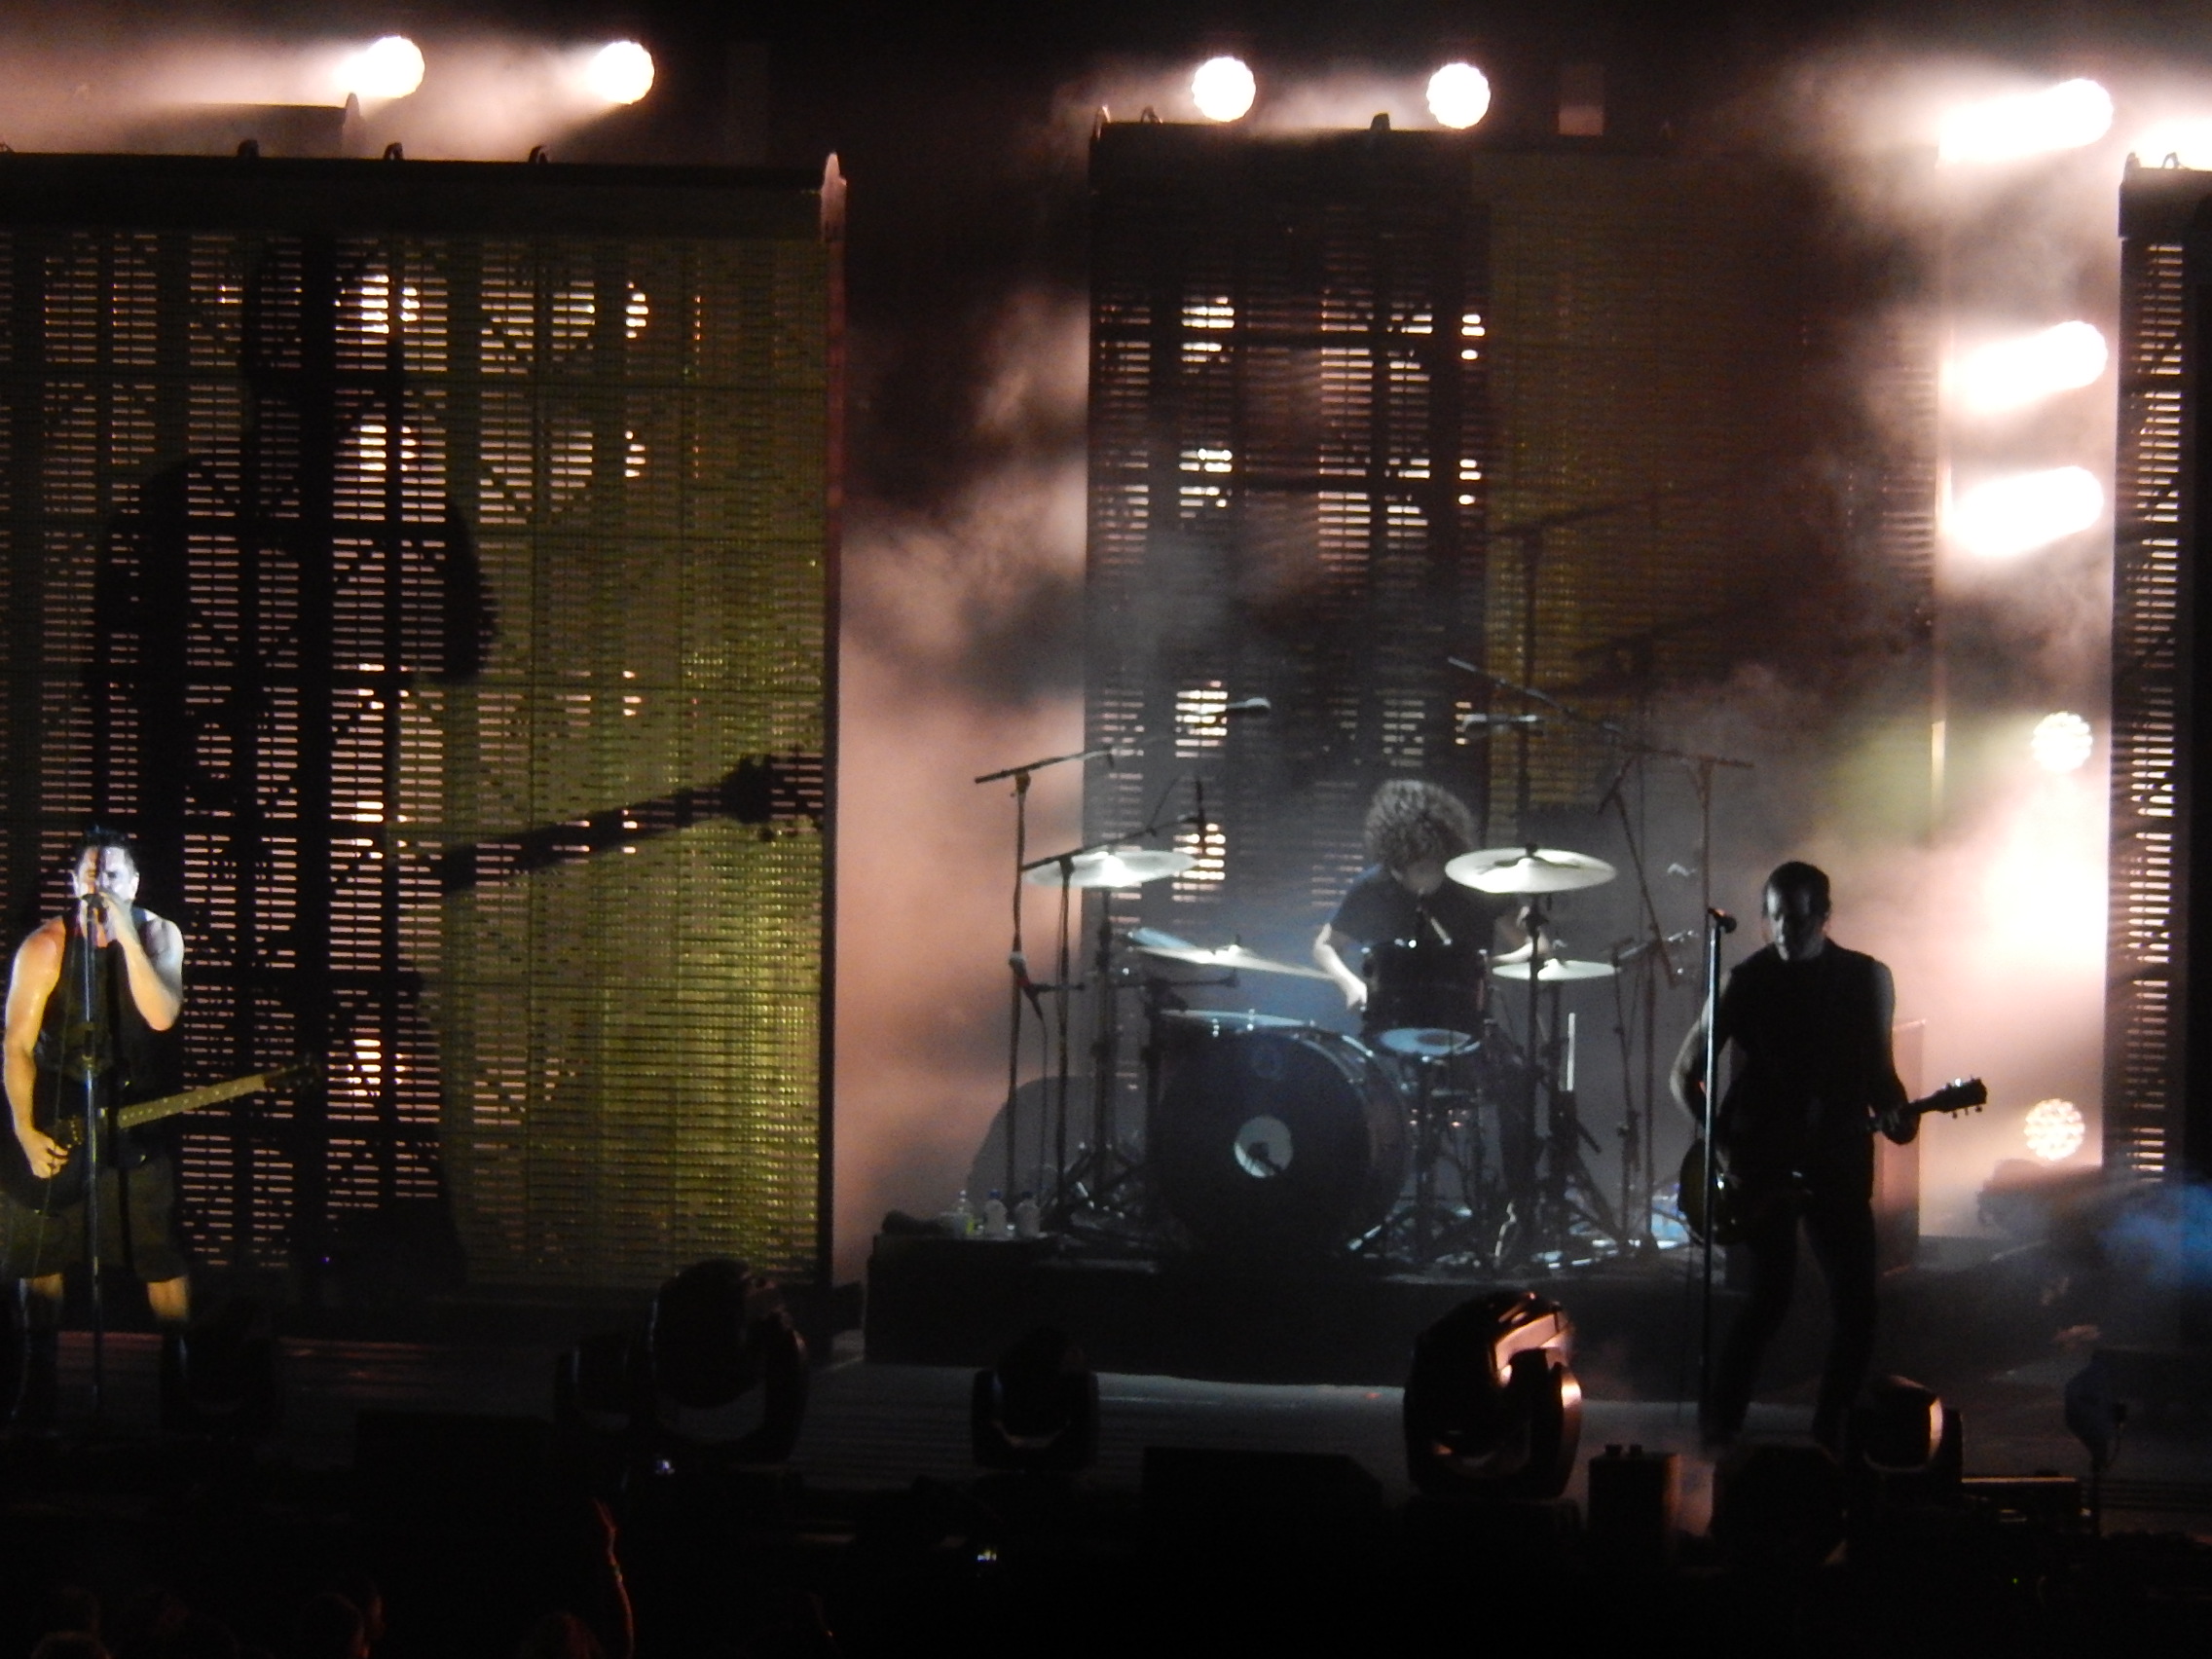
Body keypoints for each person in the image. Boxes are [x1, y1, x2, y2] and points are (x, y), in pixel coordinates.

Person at [1671, 860, 1912, 1452]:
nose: (1785, 931)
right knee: (1769, 1297)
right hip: (1761, 1157)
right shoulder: (1746, 981)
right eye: (1776, 918)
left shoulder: (1865, 979)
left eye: (1799, 920)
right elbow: (1685, 1074)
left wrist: (1900, 1116)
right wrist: (1722, 1149)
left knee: (1856, 1304)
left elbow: (1881, 1073)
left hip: (1836, 1154)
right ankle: (1723, 1419)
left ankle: (1831, 1427)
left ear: (1825, 917)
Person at [2, 826, 189, 1425]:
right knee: (42, 1255)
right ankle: (38, 1383)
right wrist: (27, 1132)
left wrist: (125, 935)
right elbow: (16, 1045)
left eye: (111, 875)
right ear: (72, 882)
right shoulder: (46, 945)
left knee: (156, 1249)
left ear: (133, 884)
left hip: (134, 1116)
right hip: (58, 1113)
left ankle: (178, 1379)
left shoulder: (160, 934)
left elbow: (161, 1015)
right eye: (89, 874)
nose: (99, 884)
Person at [1311, 779, 1514, 1035]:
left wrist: (1491, 964)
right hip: (1390, 1025)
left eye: (1436, 865)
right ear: (1397, 864)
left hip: (1466, 1025)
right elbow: (1325, 946)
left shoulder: (1476, 885)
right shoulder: (1374, 885)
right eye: (1420, 869)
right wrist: (1351, 985)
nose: (1433, 875)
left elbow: (1538, 947)